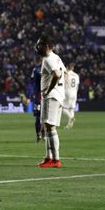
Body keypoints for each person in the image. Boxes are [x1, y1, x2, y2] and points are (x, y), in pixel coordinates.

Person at [35, 35, 66, 168]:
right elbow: (63, 72)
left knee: (50, 126)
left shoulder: (48, 59)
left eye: (39, 45)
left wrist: (48, 90)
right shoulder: (56, 57)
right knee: (47, 126)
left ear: (46, 46)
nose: (37, 48)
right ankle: (49, 158)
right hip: (54, 95)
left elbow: (57, 74)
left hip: (52, 96)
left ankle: (56, 159)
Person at [27, 57, 44, 142]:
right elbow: (31, 83)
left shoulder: (51, 68)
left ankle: (44, 134)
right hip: (38, 96)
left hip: (47, 97)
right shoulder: (36, 70)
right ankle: (38, 134)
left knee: (46, 117)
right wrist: (29, 96)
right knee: (38, 117)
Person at [62, 63, 80, 129]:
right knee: (71, 109)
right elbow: (77, 87)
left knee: (62, 108)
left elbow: (63, 82)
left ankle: (71, 118)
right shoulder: (76, 75)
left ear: (67, 67)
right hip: (74, 93)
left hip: (67, 92)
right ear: (73, 68)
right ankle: (69, 125)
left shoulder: (66, 74)